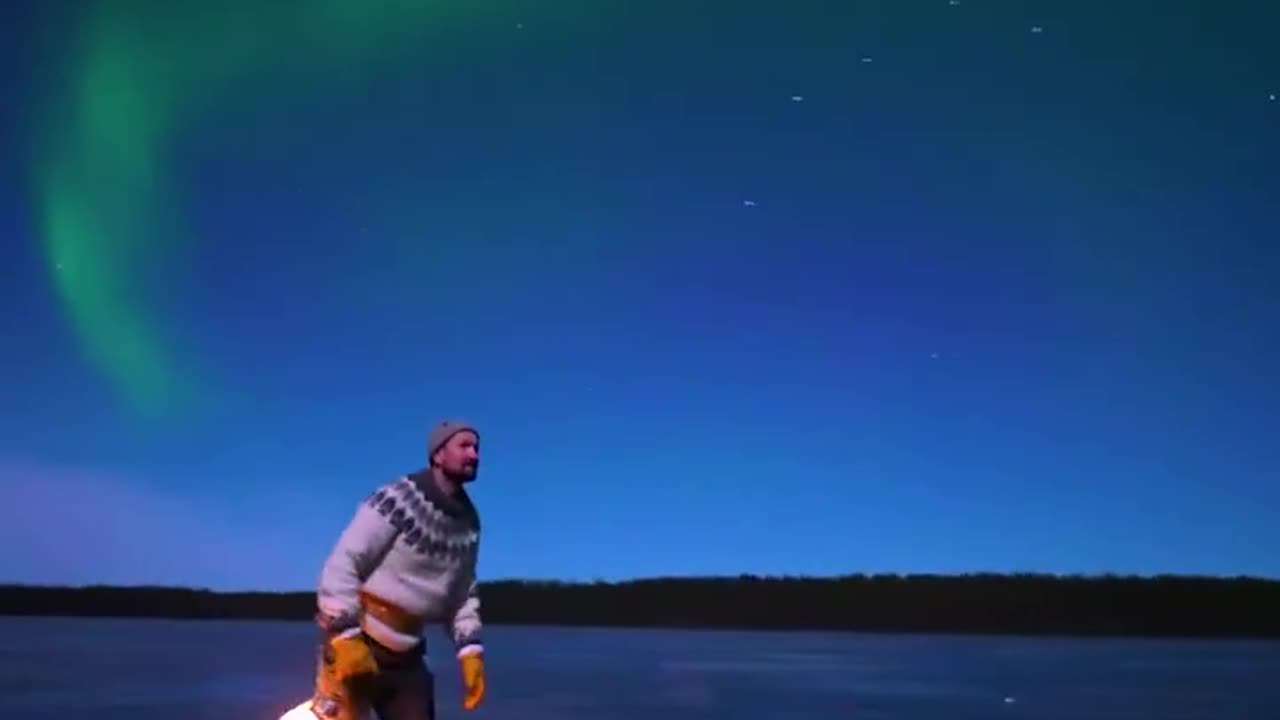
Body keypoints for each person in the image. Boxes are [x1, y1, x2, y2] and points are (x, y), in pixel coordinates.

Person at [304, 419, 487, 720]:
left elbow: (463, 593)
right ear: (439, 455)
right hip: (360, 640)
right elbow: (343, 563)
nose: (474, 455)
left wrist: (470, 652)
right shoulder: (397, 499)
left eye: (477, 448)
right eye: (464, 446)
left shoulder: (468, 523)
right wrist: (346, 636)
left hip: (408, 657)